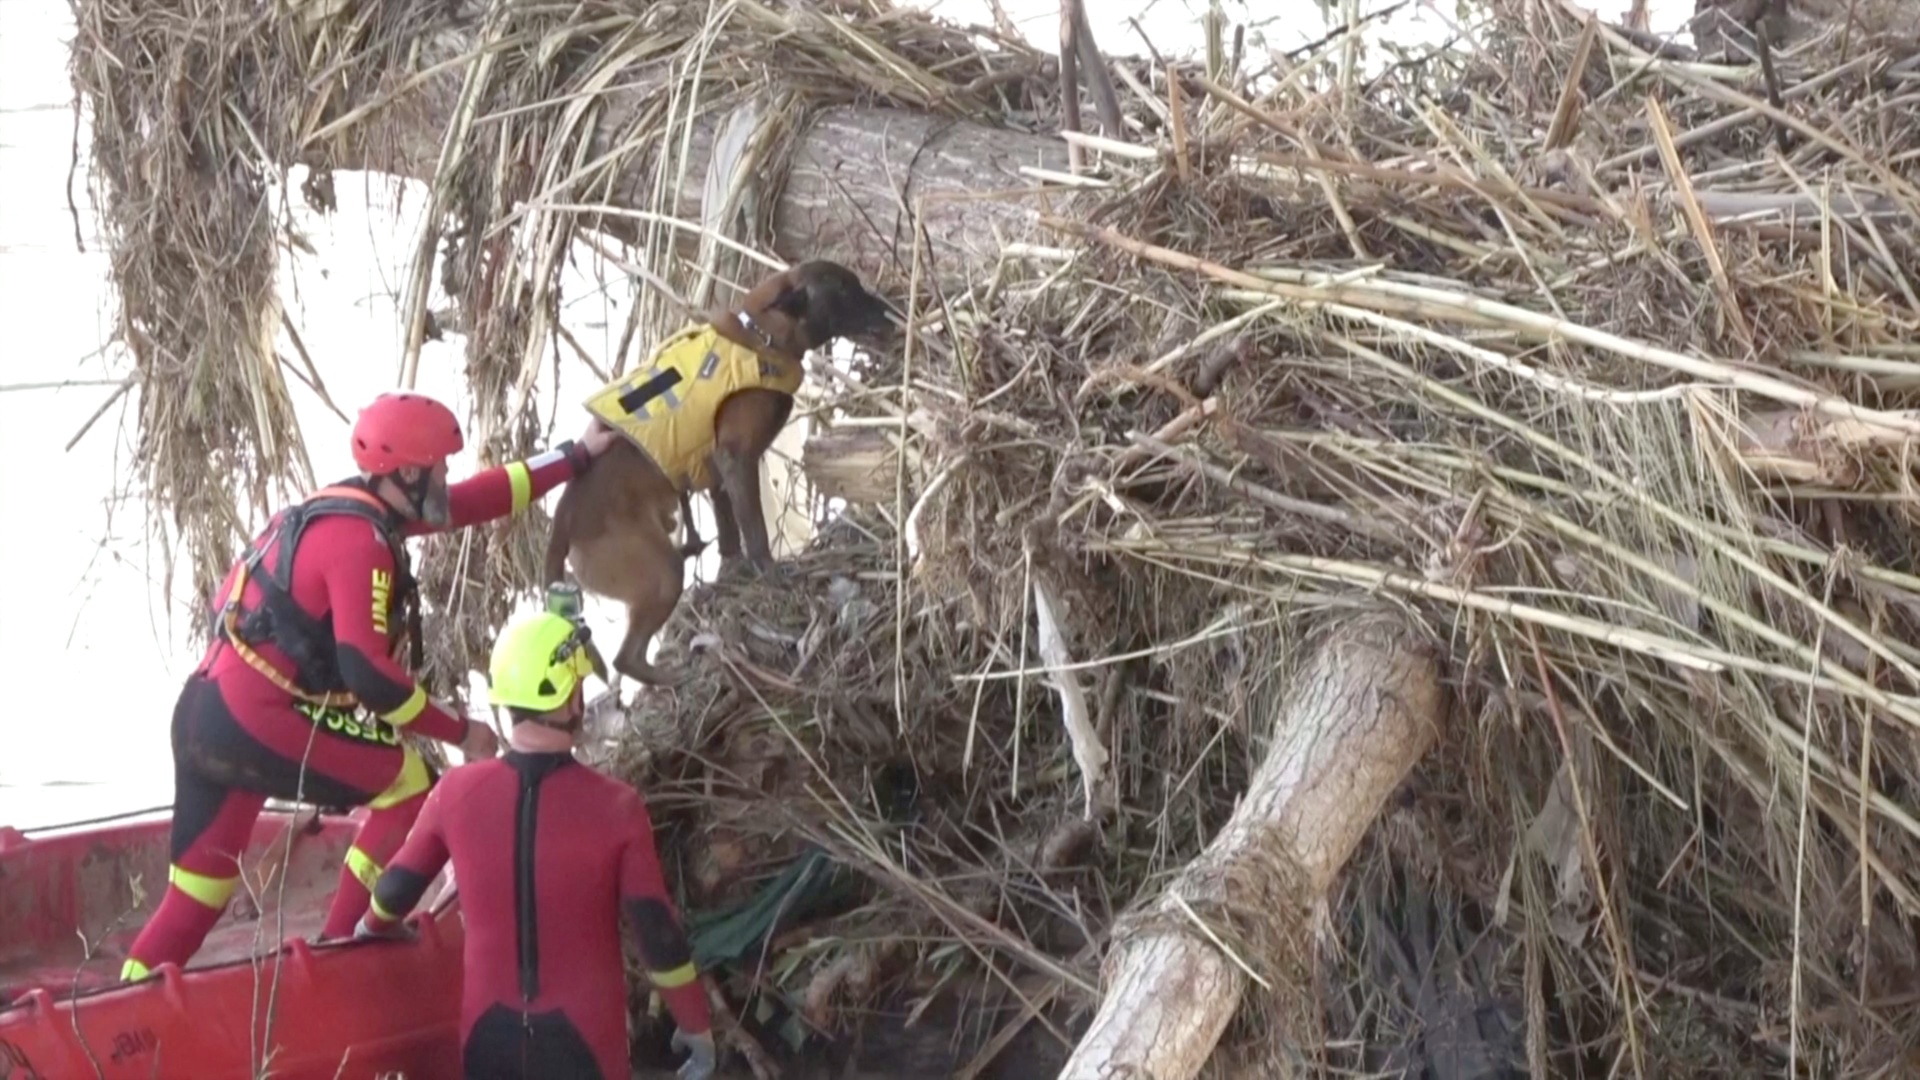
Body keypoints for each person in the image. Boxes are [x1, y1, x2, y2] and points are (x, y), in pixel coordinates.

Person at [121, 391, 620, 981]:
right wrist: (463, 730)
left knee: (198, 893)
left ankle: (121, 1012)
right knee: (409, 783)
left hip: (204, 714)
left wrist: (575, 456)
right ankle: (344, 951)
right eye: (440, 466)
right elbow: (370, 676)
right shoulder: (362, 546)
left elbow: (470, 501)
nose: (447, 476)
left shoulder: (342, 508)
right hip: (257, 720)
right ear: (408, 473)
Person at [355, 608, 716, 1080]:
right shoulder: (617, 807)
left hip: (490, 1039)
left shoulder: (455, 793)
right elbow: (657, 934)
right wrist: (697, 1028)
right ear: (570, 701)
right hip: (584, 1043)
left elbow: (394, 890)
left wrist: (371, 928)